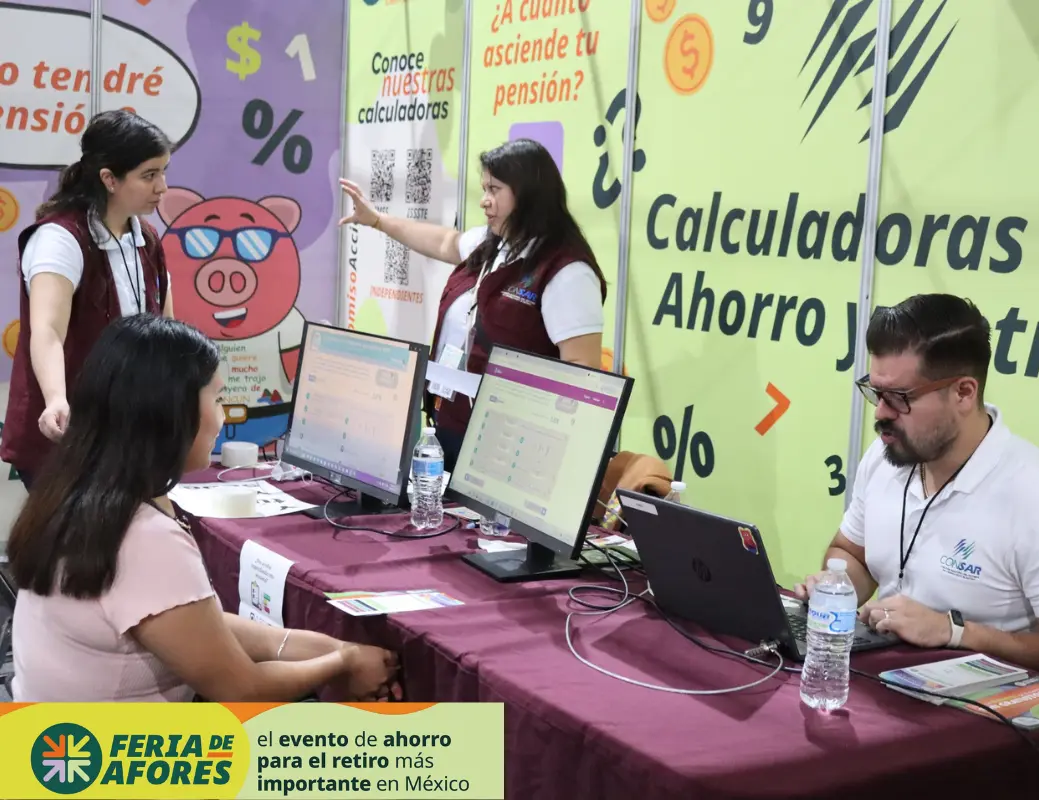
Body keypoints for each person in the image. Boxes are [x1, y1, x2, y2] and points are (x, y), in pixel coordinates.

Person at [6, 315, 399, 702]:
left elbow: (192, 624)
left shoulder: (74, 495)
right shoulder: (145, 539)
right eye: (218, 398)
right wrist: (342, 662)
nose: (222, 417)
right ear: (171, 412)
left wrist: (330, 650)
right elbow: (244, 689)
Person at [794, 294, 1039, 693]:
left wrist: (955, 633)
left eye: (900, 398)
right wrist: (836, 586)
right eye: (876, 393)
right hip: (888, 686)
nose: (880, 413)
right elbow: (852, 554)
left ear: (964, 393)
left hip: (989, 722)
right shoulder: (888, 457)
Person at [338, 138, 605, 472]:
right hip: (451, 422)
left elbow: (581, 370)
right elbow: (444, 241)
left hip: (510, 445)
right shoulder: (494, 244)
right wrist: (376, 220)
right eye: (484, 189)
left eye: (494, 189)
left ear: (528, 193)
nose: (484, 201)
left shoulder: (567, 272)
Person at [1, 110, 176, 491]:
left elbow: (168, 332)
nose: (162, 186)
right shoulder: (59, 238)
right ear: (109, 179)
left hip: (126, 433)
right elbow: (46, 330)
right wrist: (55, 399)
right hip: (68, 437)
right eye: (149, 175)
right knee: (73, 549)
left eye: (163, 171)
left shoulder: (145, 239)